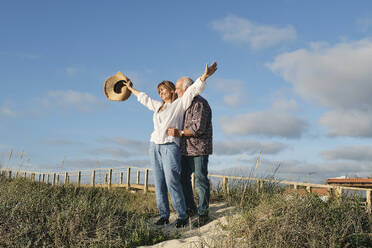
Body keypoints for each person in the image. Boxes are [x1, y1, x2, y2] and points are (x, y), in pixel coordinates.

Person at [124, 62, 217, 228]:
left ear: (172, 90)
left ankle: (182, 215)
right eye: (159, 91)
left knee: (172, 181)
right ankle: (164, 215)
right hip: (154, 146)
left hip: (170, 146)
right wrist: (131, 89)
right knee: (159, 182)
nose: (161, 93)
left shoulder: (179, 104)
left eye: (164, 90)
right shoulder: (158, 106)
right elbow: (144, 99)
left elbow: (194, 89)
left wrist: (204, 76)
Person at [166, 76, 213, 227]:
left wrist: (179, 133)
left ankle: (203, 213)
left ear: (186, 89)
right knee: (183, 179)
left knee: (200, 180)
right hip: (185, 150)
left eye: (178, 89)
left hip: (198, 149)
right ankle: (191, 208)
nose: (176, 91)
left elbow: (198, 128)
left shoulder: (200, 103)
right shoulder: (183, 105)